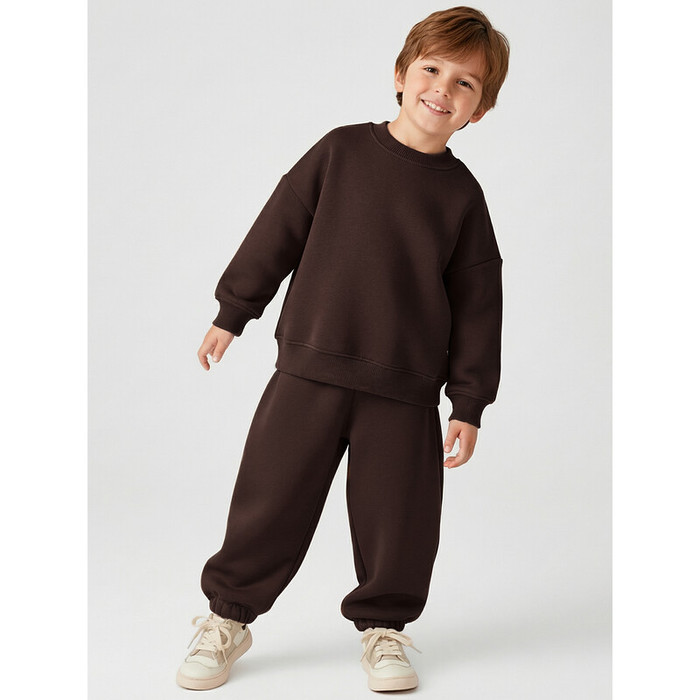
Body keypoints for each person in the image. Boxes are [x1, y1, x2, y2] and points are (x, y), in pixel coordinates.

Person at [176, 5, 510, 693]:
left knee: (400, 519)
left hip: (405, 388)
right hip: (310, 368)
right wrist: (234, 311)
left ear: (479, 111)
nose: (443, 90)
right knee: (270, 500)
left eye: (466, 84)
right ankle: (227, 617)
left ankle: (385, 628)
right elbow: (278, 229)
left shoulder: (463, 198)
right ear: (400, 74)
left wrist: (469, 402)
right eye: (432, 69)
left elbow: (479, 304)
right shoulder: (340, 152)